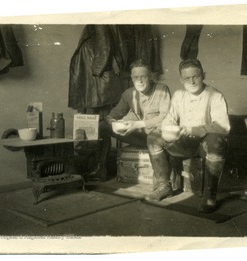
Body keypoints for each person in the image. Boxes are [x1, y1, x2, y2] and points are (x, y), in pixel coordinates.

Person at [146, 58, 231, 213]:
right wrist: (168, 128)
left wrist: (200, 129)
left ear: (203, 75)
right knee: (153, 138)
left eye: (195, 76)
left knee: (216, 141)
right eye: (187, 78)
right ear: (181, 80)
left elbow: (224, 127)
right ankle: (164, 186)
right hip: (184, 143)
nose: (191, 81)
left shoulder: (215, 95)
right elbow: (169, 118)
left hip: (203, 147)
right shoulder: (178, 95)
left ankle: (209, 195)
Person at [86, 59, 171, 181]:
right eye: (136, 77)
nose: (140, 81)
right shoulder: (128, 94)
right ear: (132, 77)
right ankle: (101, 170)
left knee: (158, 136)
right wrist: (114, 124)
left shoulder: (162, 89)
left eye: (144, 77)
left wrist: (137, 124)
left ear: (151, 76)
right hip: (140, 136)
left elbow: (166, 117)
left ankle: (161, 179)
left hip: (157, 137)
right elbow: (111, 115)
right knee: (102, 126)